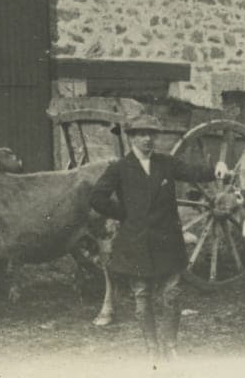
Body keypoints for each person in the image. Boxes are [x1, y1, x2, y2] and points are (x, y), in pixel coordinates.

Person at [89, 114, 229, 361]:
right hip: (137, 242)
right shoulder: (120, 168)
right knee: (142, 298)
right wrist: (125, 215)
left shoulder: (166, 163)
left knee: (172, 296)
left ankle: (171, 346)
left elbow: (191, 171)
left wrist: (215, 170)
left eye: (151, 134)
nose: (147, 139)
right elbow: (97, 198)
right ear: (131, 137)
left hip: (168, 242)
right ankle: (152, 349)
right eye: (141, 134)